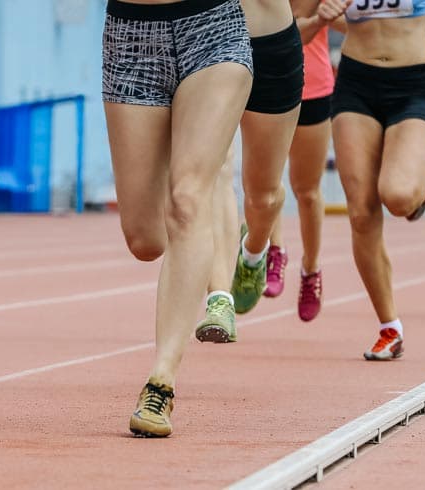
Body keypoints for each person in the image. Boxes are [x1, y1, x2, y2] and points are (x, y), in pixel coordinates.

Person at [101, 0, 254, 437]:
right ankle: (203, 231)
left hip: (214, 28)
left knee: (187, 200)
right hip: (131, 37)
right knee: (145, 238)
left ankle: (161, 381)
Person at [325, 0, 425, 360]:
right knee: (361, 213)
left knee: (397, 196)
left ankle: (416, 194)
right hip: (356, 82)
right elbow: (299, 10)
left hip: (413, 82)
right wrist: (332, 14)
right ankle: (389, 327)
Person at [194, 0, 308, 343]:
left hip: (269, 41)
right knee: (215, 169)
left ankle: (254, 251)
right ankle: (219, 299)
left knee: (264, 193)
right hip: (207, 40)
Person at [262, 8, 346, 323]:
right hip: (267, 84)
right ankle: (276, 250)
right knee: (265, 181)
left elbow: (354, 25)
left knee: (307, 190)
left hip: (314, 89)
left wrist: (329, 12)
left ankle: (311, 270)